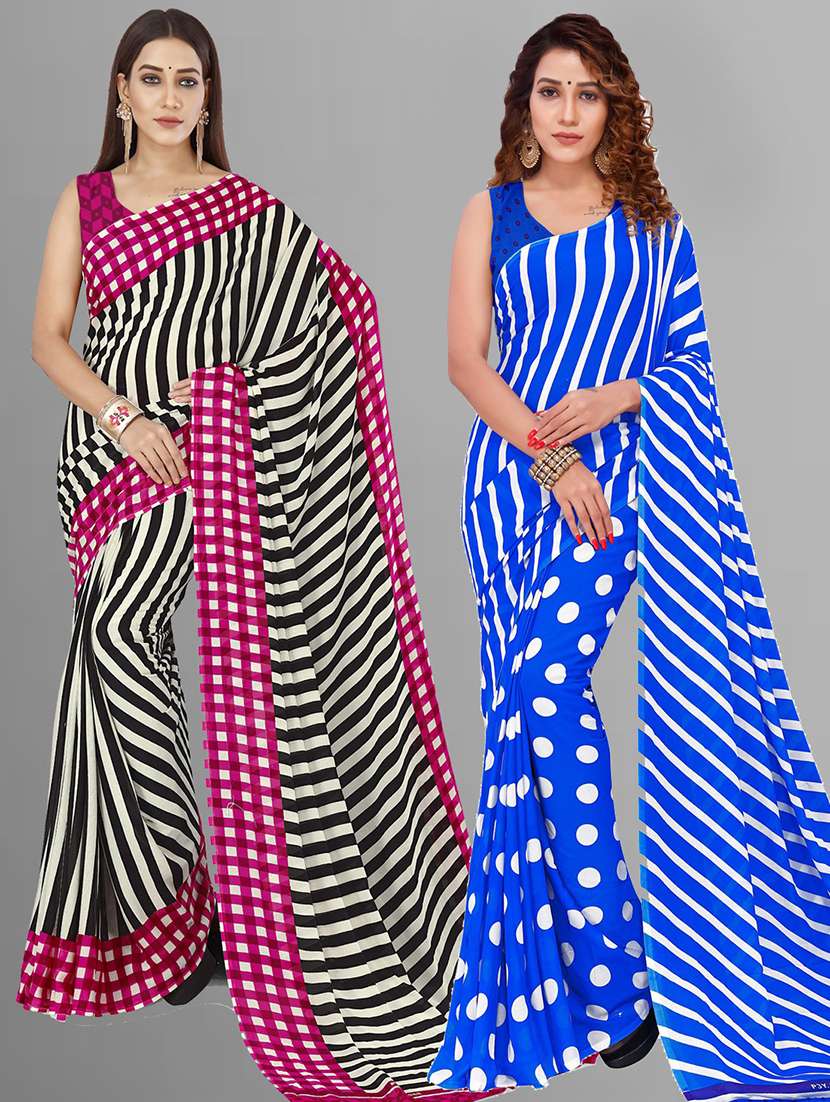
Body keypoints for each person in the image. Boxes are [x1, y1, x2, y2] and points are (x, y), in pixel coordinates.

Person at [18, 12, 482, 1102]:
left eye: (189, 80)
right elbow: (46, 337)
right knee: (113, 645)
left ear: (207, 97)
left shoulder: (245, 211)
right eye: (151, 78)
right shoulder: (86, 201)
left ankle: (196, 906)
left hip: (214, 454)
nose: (170, 97)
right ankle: (183, 898)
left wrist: (228, 401)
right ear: (121, 92)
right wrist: (125, 416)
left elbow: (342, 312)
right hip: (108, 450)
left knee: (133, 639)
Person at [427, 13, 830, 1100]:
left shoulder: (655, 227)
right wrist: (550, 455)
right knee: (523, 716)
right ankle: (602, 982)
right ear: (524, 105)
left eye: (587, 93)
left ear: (615, 109)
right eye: (550, 92)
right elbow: (465, 361)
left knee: (546, 693)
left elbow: (688, 362)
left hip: (621, 488)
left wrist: (618, 396)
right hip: (511, 482)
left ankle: (612, 978)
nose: (567, 113)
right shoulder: (489, 213)